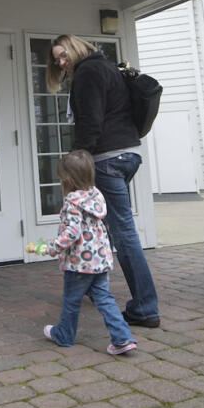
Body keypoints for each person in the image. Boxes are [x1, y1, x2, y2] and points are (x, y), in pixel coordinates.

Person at [48, 34, 160, 328]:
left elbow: (91, 121)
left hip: (108, 158)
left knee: (123, 234)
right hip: (128, 154)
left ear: (75, 47)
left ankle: (145, 307)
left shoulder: (88, 72)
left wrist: (76, 161)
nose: (61, 62)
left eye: (63, 54)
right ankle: (92, 283)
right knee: (102, 225)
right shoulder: (106, 66)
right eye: (57, 59)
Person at [41, 150, 137, 355]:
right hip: (100, 260)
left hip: (79, 264)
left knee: (71, 301)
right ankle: (122, 338)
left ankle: (64, 335)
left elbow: (72, 233)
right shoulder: (95, 196)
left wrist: (52, 247)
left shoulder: (72, 203)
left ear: (66, 180)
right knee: (105, 299)